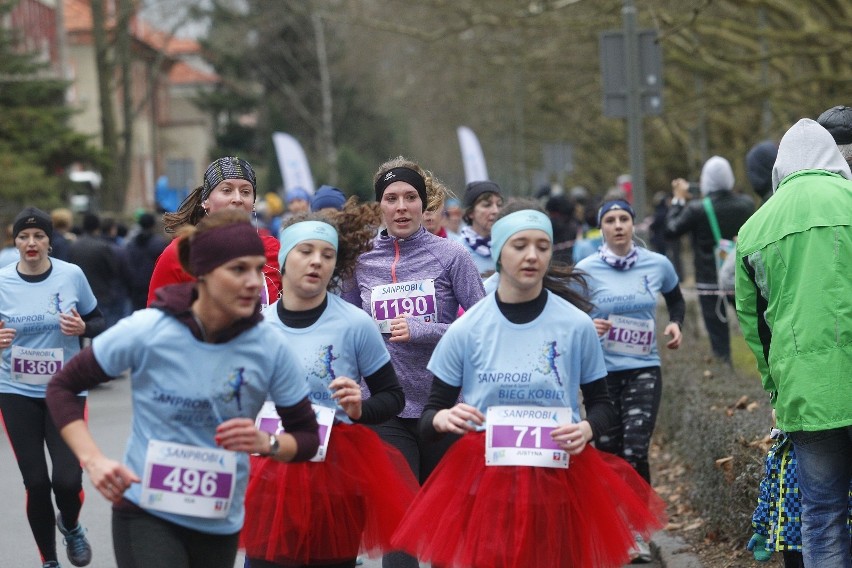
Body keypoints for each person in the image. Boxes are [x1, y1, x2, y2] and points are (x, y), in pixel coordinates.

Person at [390, 202, 667, 567]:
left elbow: (602, 406)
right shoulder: (467, 328)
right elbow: (430, 417)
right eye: (520, 245)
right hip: (484, 482)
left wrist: (586, 427)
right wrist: (444, 420)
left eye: (542, 245)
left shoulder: (575, 325)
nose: (532, 255)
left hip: (560, 478)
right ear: (500, 252)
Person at [45, 210, 320, 568]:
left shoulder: (268, 344)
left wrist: (266, 443)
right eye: (238, 270)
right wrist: (94, 460)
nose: (254, 282)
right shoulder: (149, 329)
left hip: (219, 518)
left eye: (258, 268)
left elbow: (307, 436)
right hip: (145, 510)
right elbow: (63, 386)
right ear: (201, 274)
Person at [242, 208, 418, 568]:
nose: (316, 262)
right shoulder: (255, 328)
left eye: (327, 254)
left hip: (335, 470)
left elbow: (392, 396)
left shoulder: (354, 324)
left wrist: (359, 408)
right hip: (271, 468)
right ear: (283, 258)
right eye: (305, 251)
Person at [341, 156, 485, 568]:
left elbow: (482, 328)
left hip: (443, 406)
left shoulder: (451, 256)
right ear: (379, 207)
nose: (401, 206)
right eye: (391, 198)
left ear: (424, 205)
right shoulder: (362, 259)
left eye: (409, 197)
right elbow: (347, 326)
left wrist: (425, 330)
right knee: (400, 525)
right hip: (386, 406)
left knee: (444, 529)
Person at [735, 118, 852, 568]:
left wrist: (776, 387)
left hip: (806, 393)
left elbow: (755, 325)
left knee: (821, 515)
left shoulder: (754, 229)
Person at [0, 206, 106, 568]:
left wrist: (83, 329)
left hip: (65, 390)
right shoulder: (1, 282)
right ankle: (49, 561)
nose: (32, 243)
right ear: (14, 241)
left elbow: (99, 319)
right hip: (15, 390)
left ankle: (72, 526)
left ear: (50, 241)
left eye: (39, 236)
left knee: (66, 479)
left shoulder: (70, 275)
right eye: (24, 236)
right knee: (37, 484)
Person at [147, 156, 281, 307]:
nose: (237, 199)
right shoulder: (180, 252)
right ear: (206, 201)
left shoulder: (273, 249)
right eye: (226, 190)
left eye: (245, 192)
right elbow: (156, 321)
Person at [665, 155, 754, 363]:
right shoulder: (747, 205)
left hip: (709, 279)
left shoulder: (698, 209)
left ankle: (726, 375)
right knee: (753, 325)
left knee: (718, 334)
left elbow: (671, 230)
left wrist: (678, 199)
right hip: (739, 275)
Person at [68, 212, 131, 329]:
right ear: (97, 227)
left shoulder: (74, 246)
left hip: (78, 295)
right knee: (101, 328)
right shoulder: (103, 247)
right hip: (102, 294)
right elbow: (113, 270)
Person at [452, 180, 504, 276]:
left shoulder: (507, 246)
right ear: (470, 212)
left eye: (499, 205)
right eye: (487, 205)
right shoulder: (456, 252)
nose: (496, 211)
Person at [125, 212, 167, 311]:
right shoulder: (160, 243)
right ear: (153, 225)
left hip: (136, 289)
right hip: (154, 288)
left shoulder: (131, 244)